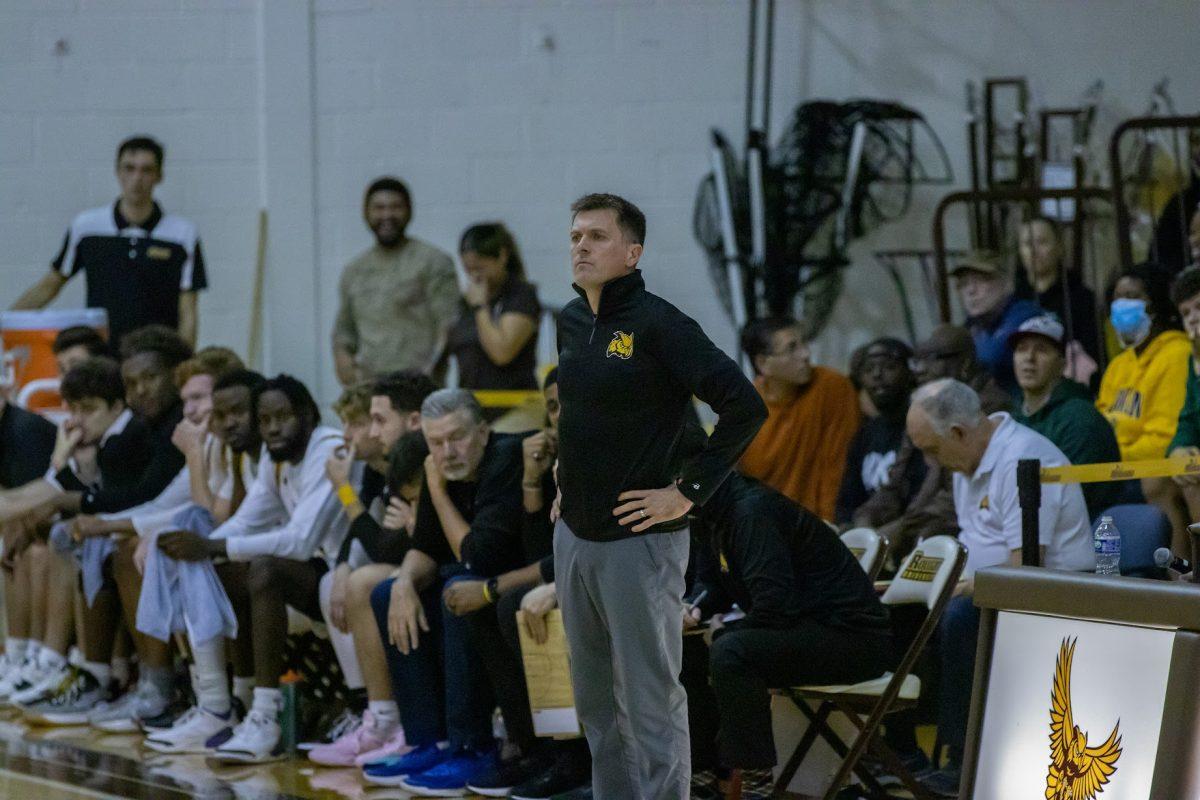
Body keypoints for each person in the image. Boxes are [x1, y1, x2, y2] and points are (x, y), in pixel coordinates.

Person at [553, 193, 766, 800]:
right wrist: (565, 474)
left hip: (640, 541)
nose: (581, 246)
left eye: (596, 236)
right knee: (594, 700)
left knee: (648, 698)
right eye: (575, 236)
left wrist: (687, 494)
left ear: (632, 252)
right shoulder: (569, 320)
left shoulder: (660, 324)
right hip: (574, 534)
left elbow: (745, 408)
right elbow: (580, 412)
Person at [906, 379, 1094, 795]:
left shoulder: (1022, 459)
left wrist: (966, 586)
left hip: (1056, 591)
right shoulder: (967, 463)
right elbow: (975, 545)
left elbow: (1026, 564)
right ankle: (900, 751)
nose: (931, 462)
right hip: (997, 588)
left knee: (959, 615)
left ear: (958, 433)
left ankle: (962, 757)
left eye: (931, 450)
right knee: (899, 608)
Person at [155, 374, 346, 763]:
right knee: (211, 571)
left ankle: (266, 714)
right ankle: (219, 707)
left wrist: (213, 544)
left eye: (283, 417)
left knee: (264, 570)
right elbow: (244, 522)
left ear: (308, 415)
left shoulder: (328, 450)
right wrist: (198, 553)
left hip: (346, 573)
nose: (273, 428)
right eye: (266, 420)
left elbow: (300, 541)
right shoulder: (273, 463)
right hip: (317, 577)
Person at [684, 472, 893, 800]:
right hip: (806, 628)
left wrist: (725, 630)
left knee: (731, 651)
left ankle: (757, 786)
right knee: (688, 648)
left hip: (852, 640)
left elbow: (775, 607)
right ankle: (701, 778)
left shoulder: (750, 512)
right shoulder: (709, 512)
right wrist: (694, 611)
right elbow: (712, 584)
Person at [361, 389, 524, 794]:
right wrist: (403, 583)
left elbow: (478, 557)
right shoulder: (440, 467)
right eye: (436, 442)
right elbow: (426, 548)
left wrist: (434, 490)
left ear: (483, 432)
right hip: (476, 583)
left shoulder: (505, 460)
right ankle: (429, 740)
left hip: (510, 584)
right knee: (387, 593)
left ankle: (473, 745)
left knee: (457, 588)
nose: (447, 451)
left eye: (457, 437)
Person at [12, 136, 206, 349]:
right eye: (129, 168)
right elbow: (49, 285)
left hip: (156, 358)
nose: (137, 178)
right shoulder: (87, 227)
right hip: (102, 354)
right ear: (118, 172)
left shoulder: (182, 234)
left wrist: (186, 366)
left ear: (159, 176)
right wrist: (7, 322)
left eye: (146, 170)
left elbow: (188, 310)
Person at [853, 325, 1010, 559]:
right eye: (918, 362)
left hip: (970, 529)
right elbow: (896, 479)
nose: (921, 371)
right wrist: (867, 518)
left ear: (965, 363)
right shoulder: (927, 402)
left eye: (932, 360)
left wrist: (903, 528)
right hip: (922, 519)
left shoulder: (986, 408)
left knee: (925, 542)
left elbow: (956, 493)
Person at [332, 177, 459, 385]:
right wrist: (345, 364)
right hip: (370, 389)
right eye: (379, 208)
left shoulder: (434, 262)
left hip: (419, 388)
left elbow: (449, 326)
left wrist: (427, 374)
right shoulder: (354, 270)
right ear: (366, 213)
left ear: (409, 211)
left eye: (396, 207)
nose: (387, 215)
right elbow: (343, 331)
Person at [1097, 264, 1191, 544]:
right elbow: (1100, 426)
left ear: (1156, 306)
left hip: (1148, 470)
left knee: (1156, 483)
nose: (1122, 304)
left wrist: (1113, 458)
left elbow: (1165, 437)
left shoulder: (1177, 353)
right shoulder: (1118, 366)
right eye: (1117, 296)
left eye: (1133, 296)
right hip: (1113, 471)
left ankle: (1178, 576)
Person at [738, 317, 859, 520]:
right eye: (791, 348)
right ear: (763, 363)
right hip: (767, 526)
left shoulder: (832, 387)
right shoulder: (744, 409)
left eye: (804, 343)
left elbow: (838, 466)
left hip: (826, 521)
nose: (805, 354)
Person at [1010, 315, 1126, 520]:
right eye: (1022, 349)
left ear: (1062, 363)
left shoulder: (1080, 418)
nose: (1029, 358)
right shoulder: (1013, 418)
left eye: (1041, 350)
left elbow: (1067, 498)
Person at [446, 223, 541, 409]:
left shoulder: (521, 296)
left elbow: (502, 352)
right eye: (468, 269)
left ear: (502, 256)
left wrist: (481, 307)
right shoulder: (465, 302)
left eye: (480, 268)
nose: (475, 277)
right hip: (474, 405)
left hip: (515, 406)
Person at [835, 337, 923, 526]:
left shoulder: (923, 428)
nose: (877, 375)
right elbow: (847, 502)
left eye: (889, 367)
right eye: (868, 370)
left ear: (909, 372)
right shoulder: (864, 436)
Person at [1145, 268, 1200, 554]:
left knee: (1194, 480)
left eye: (1199, 307)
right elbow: (1188, 417)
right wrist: (1178, 449)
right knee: (1156, 481)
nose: (1192, 317)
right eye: (1186, 312)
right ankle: (1179, 575)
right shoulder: (1196, 360)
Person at [1016, 215, 1101, 379]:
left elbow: (1093, 353)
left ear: (1060, 247)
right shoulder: (1014, 300)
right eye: (1027, 244)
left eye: (1041, 242)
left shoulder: (1080, 297)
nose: (1034, 250)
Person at [950, 249, 1040, 393]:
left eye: (981, 280)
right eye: (964, 283)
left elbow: (994, 355)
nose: (971, 291)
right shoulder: (972, 325)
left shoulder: (1026, 315)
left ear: (1006, 282)